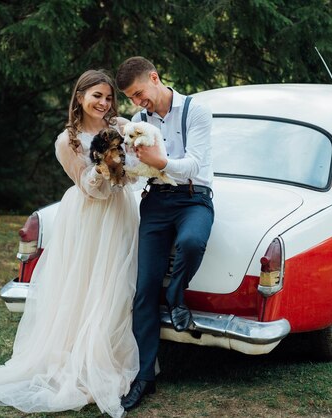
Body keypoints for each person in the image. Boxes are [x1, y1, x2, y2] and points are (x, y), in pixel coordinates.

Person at [0, 70, 139, 417]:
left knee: (115, 287)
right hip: (89, 215)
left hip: (120, 213)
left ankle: (111, 354)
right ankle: (78, 361)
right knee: (84, 286)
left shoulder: (122, 126)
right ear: (79, 97)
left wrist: (128, 158)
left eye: (108, 97)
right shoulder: (69, 141)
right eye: (97, 96)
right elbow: (88, 187)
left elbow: (135, 167)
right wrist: (105, 164)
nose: (104, 103)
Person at [115, 56, 214, 411]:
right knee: (143, 290)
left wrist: (160, 161)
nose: (136, 103)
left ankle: (176, 294)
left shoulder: (196, 111)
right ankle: (145, 376)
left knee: (191, 242)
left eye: (139, 93)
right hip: (156, 201)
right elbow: (138, 171)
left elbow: (194, 165)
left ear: (154, 78)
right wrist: (124, 161)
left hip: (193, 198)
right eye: (130, 97)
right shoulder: (138, 121)